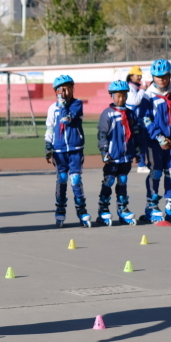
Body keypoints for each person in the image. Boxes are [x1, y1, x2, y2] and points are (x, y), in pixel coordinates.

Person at [139, 59, 171, 224]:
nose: (162, 79)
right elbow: (146, 119)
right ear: (153, 77)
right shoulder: (148, 96)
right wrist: (159, 137)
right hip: (155, 142)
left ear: (169, 75)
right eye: (158, 76)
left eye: (165, 76)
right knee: (156, 172)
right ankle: (151, 205)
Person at [45, 75, 90, 228]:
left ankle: (81, 210)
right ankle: (60, 208)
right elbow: (50, 128)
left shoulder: (77, 104)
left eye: (68, 88)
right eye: (61, 89)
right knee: (62, 178)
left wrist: (62, 104)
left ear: (72, 89)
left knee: (75, 179)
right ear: (56, 91)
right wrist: (48, 146)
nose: (65, 92)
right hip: (59, 150)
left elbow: (67, 119)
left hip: (75, 149)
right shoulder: (52, 108)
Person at [96, 80, 141, 226]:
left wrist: (137, 151)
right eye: (118, 96)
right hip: (112, 156)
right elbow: (102, 135)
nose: (121, 98)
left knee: (123, 181)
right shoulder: (107, 114)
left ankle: (122, 208)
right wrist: (104, 151)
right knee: (108, 181)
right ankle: (103, 208)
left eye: (124, 95)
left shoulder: (130, 114)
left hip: (126, 157)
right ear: (112, 96)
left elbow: (135, 134)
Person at [126, 66, 150, 174]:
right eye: (137, 75)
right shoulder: (130, 88)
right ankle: (141, 165)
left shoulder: (135, 87)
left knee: (141, 142)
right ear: (131, 76)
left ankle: (142, 164)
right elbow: (135, 101)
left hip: (138, 120)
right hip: (133, 120)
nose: (140, 77)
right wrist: (143, 90)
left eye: (140, 75)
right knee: (137, 143)